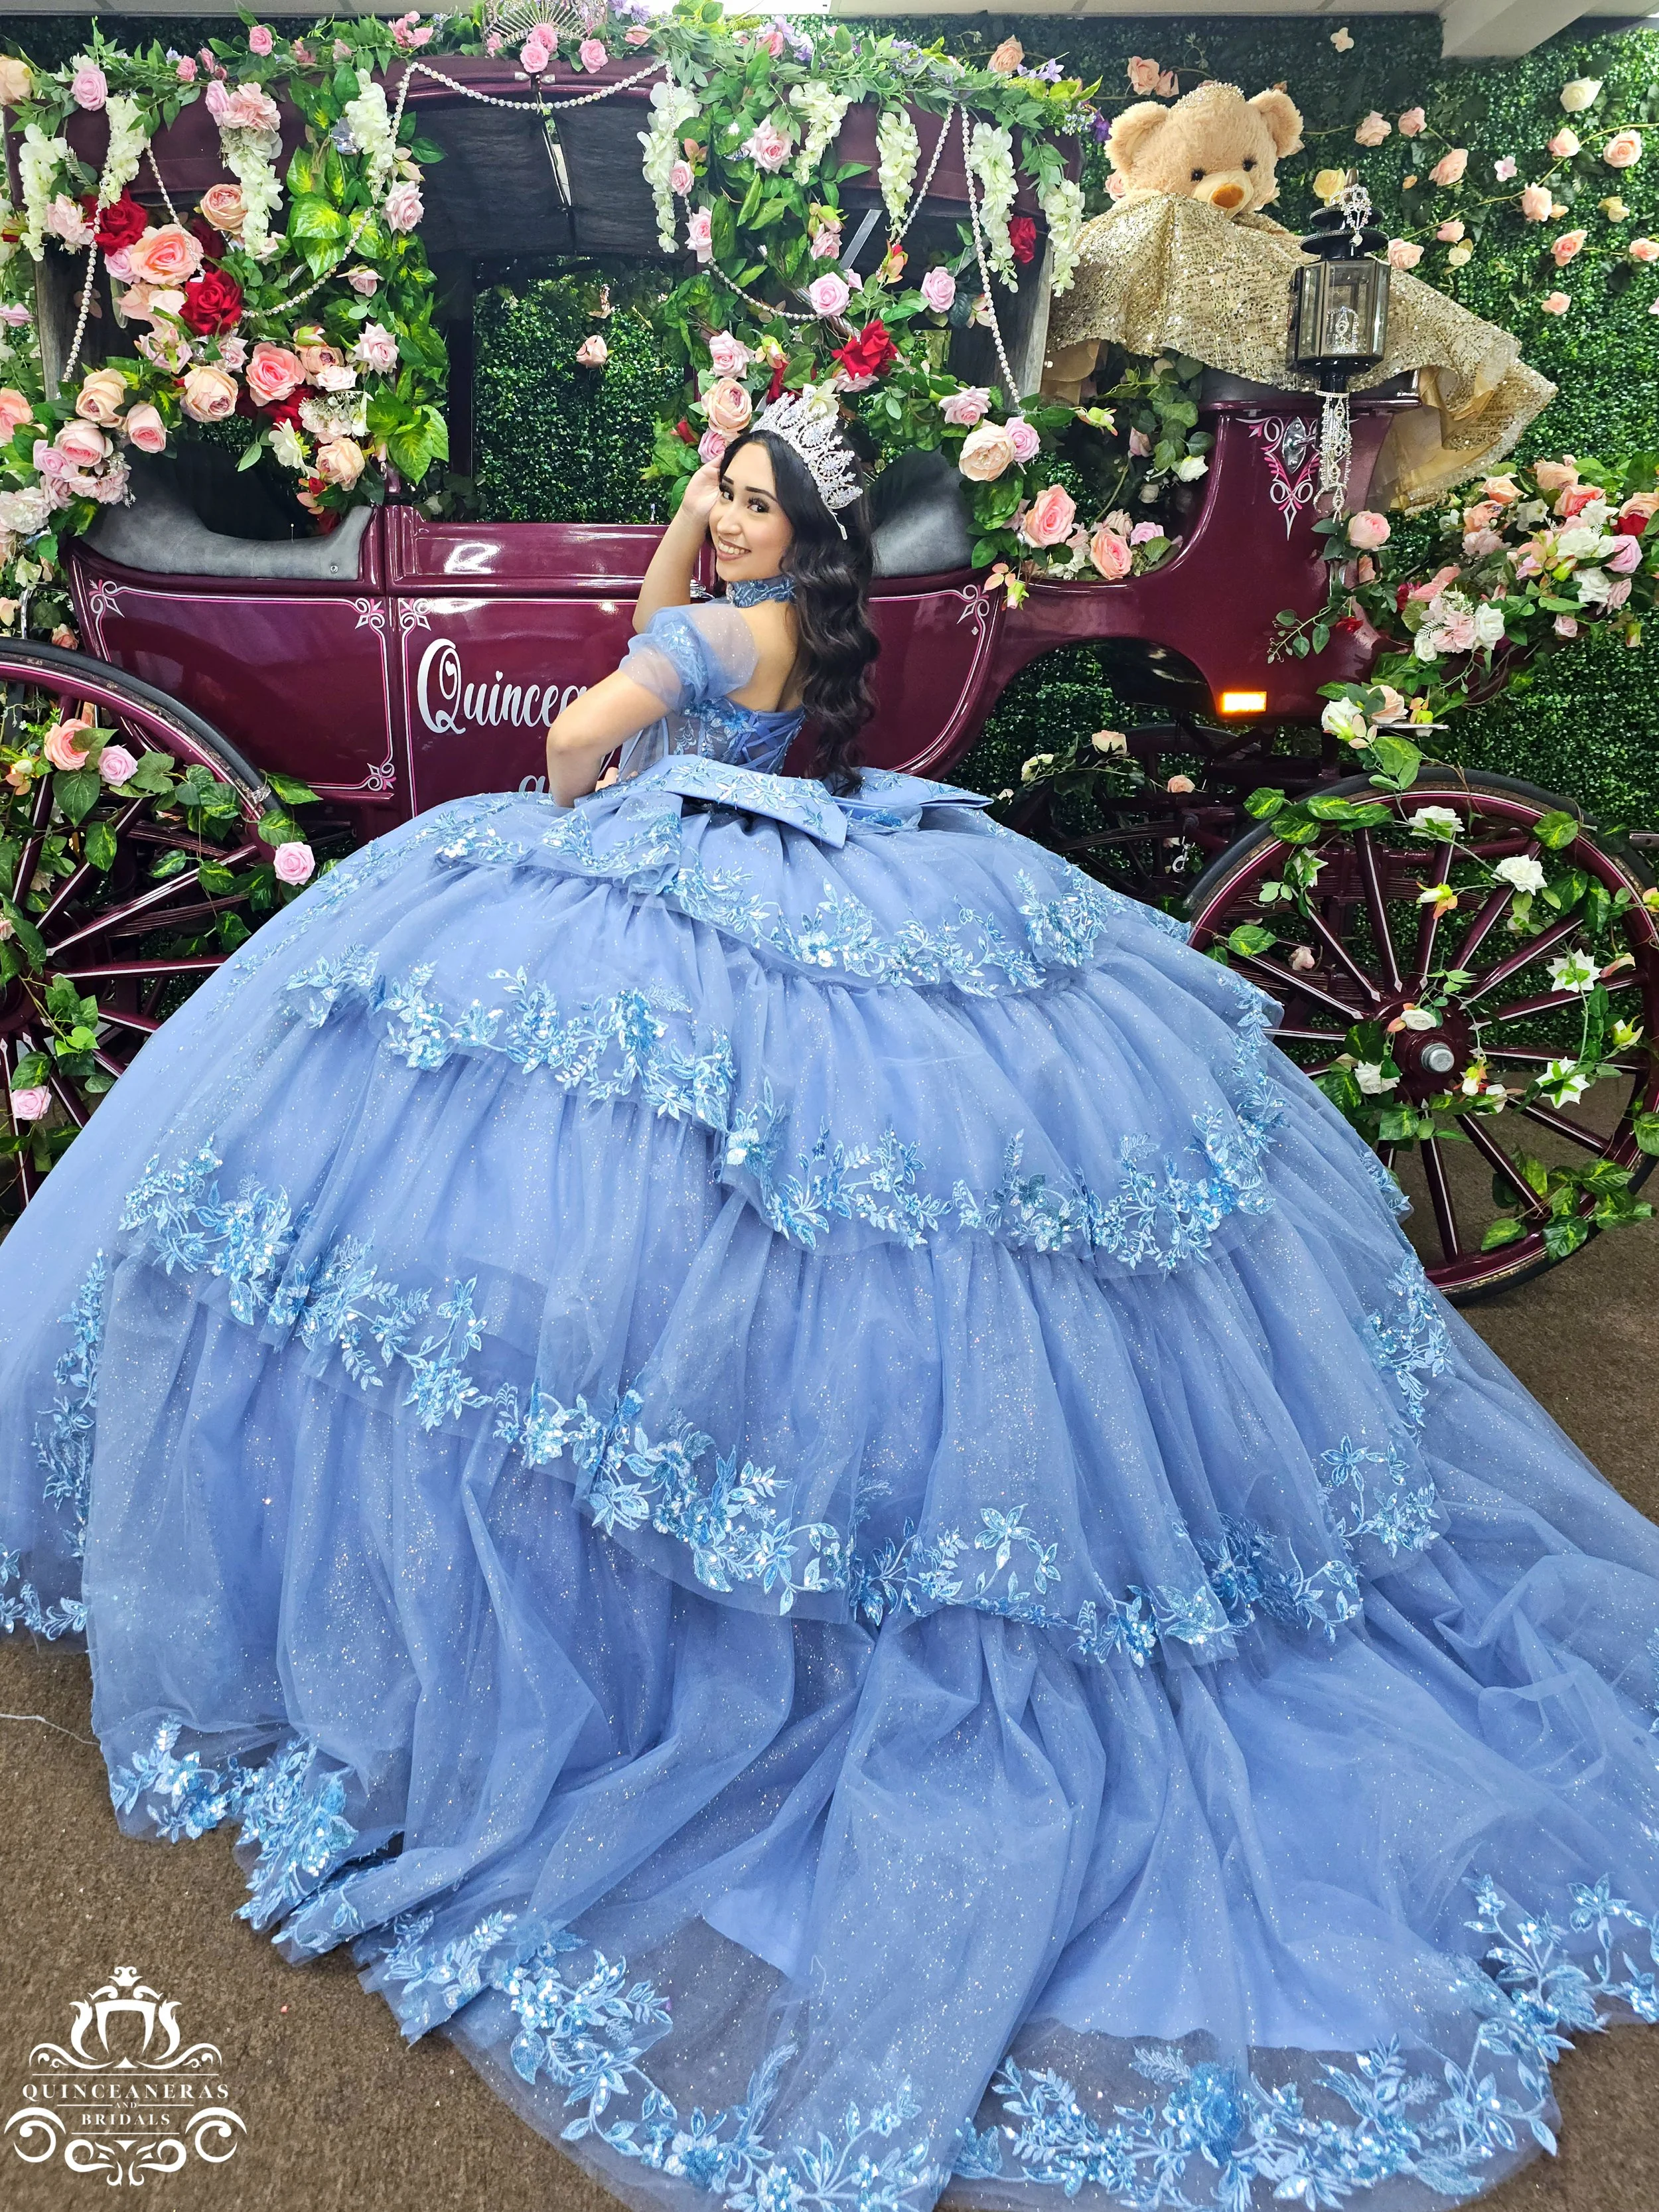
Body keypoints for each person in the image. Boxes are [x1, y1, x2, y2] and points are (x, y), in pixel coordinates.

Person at [2, 386, 1658, 2212]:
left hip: (657, 852)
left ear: (791, 528)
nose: (715, 514)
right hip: (809, 845)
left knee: (536, 1188)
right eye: (714, 488)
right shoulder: (792, 630)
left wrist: (637, 660)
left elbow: (572, 744)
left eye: (742, 496)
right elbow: (679, 656)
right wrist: (691, 552)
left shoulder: (711, 626)